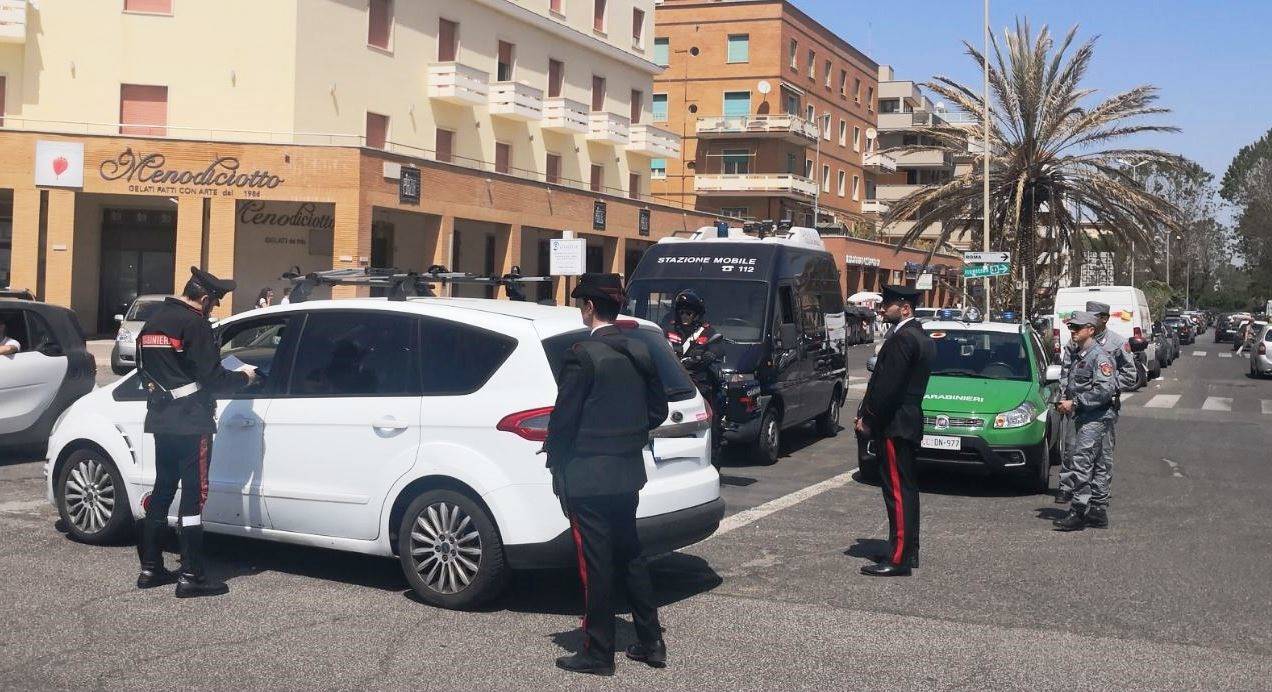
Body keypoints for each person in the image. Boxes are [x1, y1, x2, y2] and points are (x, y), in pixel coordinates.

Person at [545, 273, 669, 676]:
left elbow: (563, 421)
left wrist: (556, 464)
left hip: (588, 475)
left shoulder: (581, 354)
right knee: (631, 554)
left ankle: (599, 653)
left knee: (596, 563)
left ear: (590, 307)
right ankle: (651, 641)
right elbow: (658, 412)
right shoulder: (640, 349)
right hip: (627, 471)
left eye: (582, 304)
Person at [135, 267, 257, 598]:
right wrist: (244, 377)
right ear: (204, 299)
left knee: (162, 490)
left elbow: (144, 368)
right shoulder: (195, 324)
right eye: (214, 303)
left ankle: (150, 567)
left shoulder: (153, 321)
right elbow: (214, 379)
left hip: (161, 418)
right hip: (192, 422)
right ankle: (191, 575)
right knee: (194, 495)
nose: (213, 309)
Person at [855, 285, 935, 577]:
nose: (882, 307)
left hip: (895, 421)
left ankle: (899, 558)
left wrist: (869, 419)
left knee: (897, 492)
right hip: (908, 418)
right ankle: (906, 549)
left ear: (905, 308)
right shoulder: (920, 336)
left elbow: (888, 388)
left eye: (888, 303)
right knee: (906, 488)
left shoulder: (903, 339)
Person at [1053, 311, 1118, 531]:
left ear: (1091, 330)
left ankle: (1078, 510)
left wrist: (1075, 403)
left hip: (1095, 417)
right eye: (1071, 328)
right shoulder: (1079, 355)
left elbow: (1105, 390)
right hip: (1084, 416)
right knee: (1098, 463)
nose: (1073, 332)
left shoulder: (1099, 356)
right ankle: (1098, 510)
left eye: (1077, 328)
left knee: (1081, 462)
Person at [664, 290, 725, 463]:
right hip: (672, 386)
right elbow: (658, 344)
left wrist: (709, 355)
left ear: (696, 314)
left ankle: (712, 458)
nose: (684, 316)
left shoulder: (706, 333)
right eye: (682, 312)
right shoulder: (668, 329)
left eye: (688, 313)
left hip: (699, 385)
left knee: (710, 424)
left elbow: (718, 346)